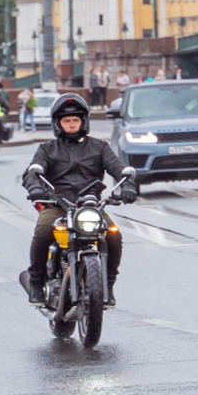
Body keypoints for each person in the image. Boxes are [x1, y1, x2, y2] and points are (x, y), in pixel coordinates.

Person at [19, 93, 134, 304]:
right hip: (57, 205)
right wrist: (35, 187)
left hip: (90, 206)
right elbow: (32, 173)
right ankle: (36, 281)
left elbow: (118, 169)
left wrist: (127, 184)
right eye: (66, 121)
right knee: (43, 230)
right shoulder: (46, 149)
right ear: (58, 124)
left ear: (83, 121)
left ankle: (107, 284)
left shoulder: (100, 147)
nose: (71, 125)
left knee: (113, 235)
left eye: (75, 120)